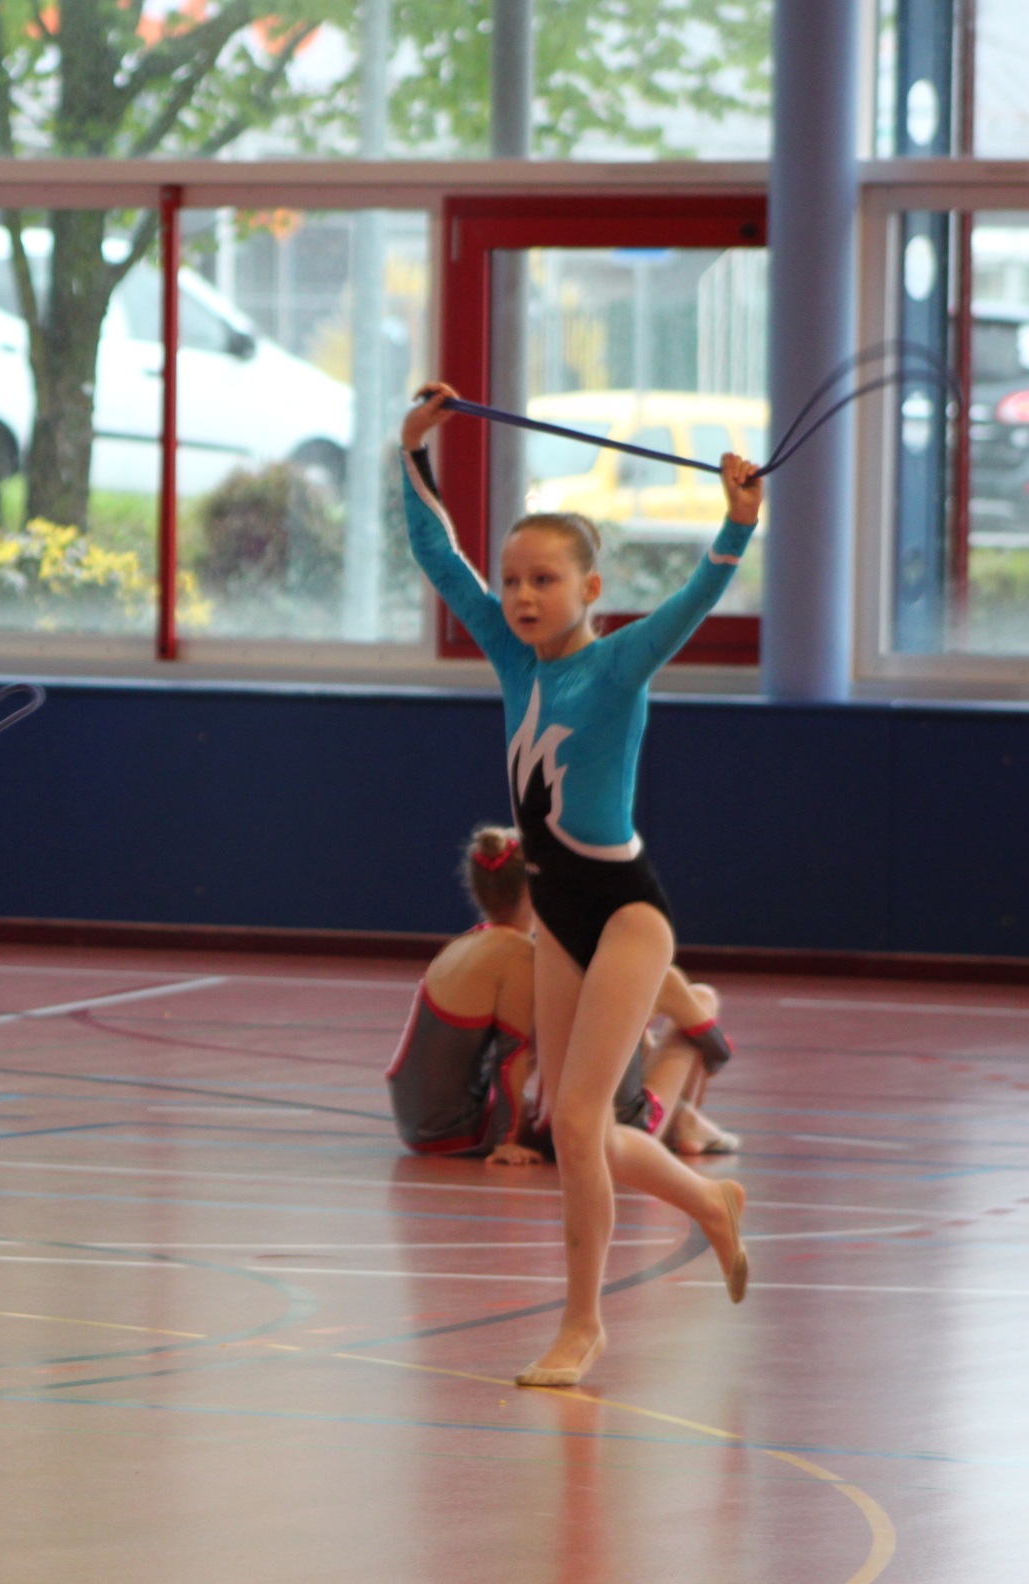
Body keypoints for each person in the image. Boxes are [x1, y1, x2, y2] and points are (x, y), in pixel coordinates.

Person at [400, 383, 752, 1389]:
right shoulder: (513, 659)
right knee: (574, 1124)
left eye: (544, 580)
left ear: (590, 588)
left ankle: (583, 1326)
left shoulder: (622, 662)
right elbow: (439, 558)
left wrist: (735, 524)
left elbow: (692, 603)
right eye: (513, 580)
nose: (520, 596)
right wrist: (413, 451)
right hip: (555, 911)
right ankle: (710, 1201)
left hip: (626, 911)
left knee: (584, 1116)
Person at [390, 827, 740, 1168]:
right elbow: (512, 1057)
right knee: (699, 999)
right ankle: (683, 1121)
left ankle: (684, 1122)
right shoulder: (519, 958)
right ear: (536, 891)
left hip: (417, 1121)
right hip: (460, 1128)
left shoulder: (468, 944)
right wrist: (506, 1142)